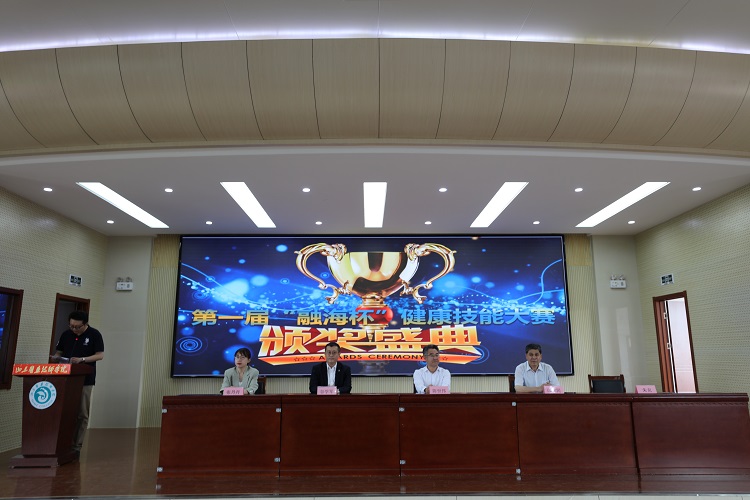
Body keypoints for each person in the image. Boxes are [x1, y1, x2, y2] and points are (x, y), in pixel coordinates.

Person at [53, 311, 105, 454]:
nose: (74, 329)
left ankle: (76, 446)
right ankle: (61, 444)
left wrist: (82, 359)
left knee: (82, 413)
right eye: (71, 326)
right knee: (64, 412)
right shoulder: (66, 334)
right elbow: (59, 352)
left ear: (85, 324)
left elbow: (100, 355)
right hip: (65, 379)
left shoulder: (94, 334)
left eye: (77, 327)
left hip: (85, 380)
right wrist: (56, 358)